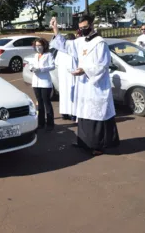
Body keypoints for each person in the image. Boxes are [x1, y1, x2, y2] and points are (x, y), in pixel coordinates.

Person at [50, 15, 120, 156]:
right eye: (80, 28)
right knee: (83, 113)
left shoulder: (100, 43)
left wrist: (84, 70)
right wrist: (55, 29)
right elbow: (64, 45)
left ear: (92, 26)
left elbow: (102, 65)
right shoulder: (80, 41)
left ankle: (98, 145)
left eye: (85, 28)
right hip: (83, 85)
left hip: (96, 85)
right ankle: (83, 142)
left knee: (97, 115)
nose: (82, 30)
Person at [30, 38, 55, 131]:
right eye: (36, 45)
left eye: (39, 45)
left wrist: (41, 69)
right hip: (36, 82)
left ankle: (50, 123)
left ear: (44, 46)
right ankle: (41, 123)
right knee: (39, 102)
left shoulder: (48, 55)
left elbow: (52, 66)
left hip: (45, 82)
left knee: (46, 102)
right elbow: (32, 65)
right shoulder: (35, 55)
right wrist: (31, 68)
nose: (38, 47)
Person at [55, 33, 78, 121]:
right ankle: (72, 114)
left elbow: (56, 62)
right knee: (72, 95)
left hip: (63, 76)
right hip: (71, 76)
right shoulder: (73, 50)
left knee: (65, 95)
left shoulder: (60, 51)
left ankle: (65, 113)